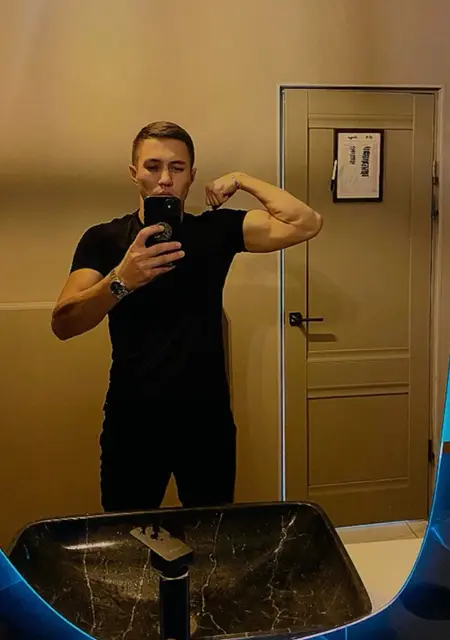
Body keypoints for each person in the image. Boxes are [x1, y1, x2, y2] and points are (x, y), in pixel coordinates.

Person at [51, 121, 323, 512]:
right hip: (133, 418)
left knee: (210, 531)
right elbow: (63, 323)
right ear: (134, 173)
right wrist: (121, 280)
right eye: (153, 166)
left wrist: (242, 179)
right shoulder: (104, 239)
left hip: (206, 418)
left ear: (192, 176)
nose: (165, 179)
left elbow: (306, 222)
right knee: (129, 531)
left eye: (177, 168)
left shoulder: (216, 229)